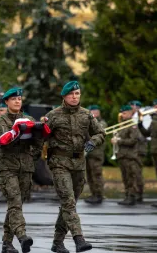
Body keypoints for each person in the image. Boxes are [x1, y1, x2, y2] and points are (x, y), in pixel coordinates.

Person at [43, 80, 105, 253]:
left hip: (79, 164)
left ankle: (57, 242)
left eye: (77, 93)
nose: (74, 97)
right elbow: (41, 136)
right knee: (68, 202)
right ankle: (79, 239)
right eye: (71, 94)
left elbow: (100, 133)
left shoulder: (86, 115)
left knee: (69, 204)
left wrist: (93, 141)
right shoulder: (54, 115)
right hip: (59, 163)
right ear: (64, 96)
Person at [0, 87, 47, 253]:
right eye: (14, 99)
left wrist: (33, 156)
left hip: (25, 168)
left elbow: (38, 144)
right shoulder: (1, 122)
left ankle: (6, 243)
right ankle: (22, 237)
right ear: (6, 102)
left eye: (19, 99)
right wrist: (13, 134)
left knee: (16, 206)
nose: (17, 101)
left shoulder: (28, 119)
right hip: (7, 167)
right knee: (14, 202)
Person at [111, 105, 141, 206]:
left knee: (131, 177)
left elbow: (133, 140)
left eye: (124, 113)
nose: (122, 115)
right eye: (122, 113)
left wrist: (119, 141)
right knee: (125, 177)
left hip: (130, 156)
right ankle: (127, 195)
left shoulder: (132, 124)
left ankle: (131, 196)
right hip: (122, 155)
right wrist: (115, 139)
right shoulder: (122, 124)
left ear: (130, 113)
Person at [84, 104, 107, 204]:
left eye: (96, 111)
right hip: (89, 153)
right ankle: (93, 193)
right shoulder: (88, 122)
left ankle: (99, 194)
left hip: (97, 153)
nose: (95, 113)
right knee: (89, 175)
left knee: (96, 174)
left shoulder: (101, 123)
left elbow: (97, 134)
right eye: (93, 111)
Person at [129, 100, 146, 201]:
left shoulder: (143, 117)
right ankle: (133, 192)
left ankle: (139, 193)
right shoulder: (131, 118)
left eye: (133, 106)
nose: (131, 108)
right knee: (132, 172)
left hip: (139, 148)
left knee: (137, 172)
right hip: (132, 149)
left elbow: (144, 134)